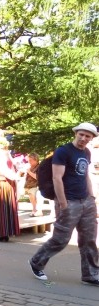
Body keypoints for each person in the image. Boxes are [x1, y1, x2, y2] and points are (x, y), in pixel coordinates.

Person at [29, 122, 99, 286]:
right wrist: (63, 204)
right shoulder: (63, 151)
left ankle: (91, 274)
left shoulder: (87, 152)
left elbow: (85, 175)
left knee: (89, 240)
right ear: (76, 133)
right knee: (60, 239)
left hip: (86, 202)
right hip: (69, 201)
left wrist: (92, 198)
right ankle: (36, 262)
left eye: (87, 136)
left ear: (91, 138)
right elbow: (57, 178)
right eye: (81, 134)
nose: (83, 138)